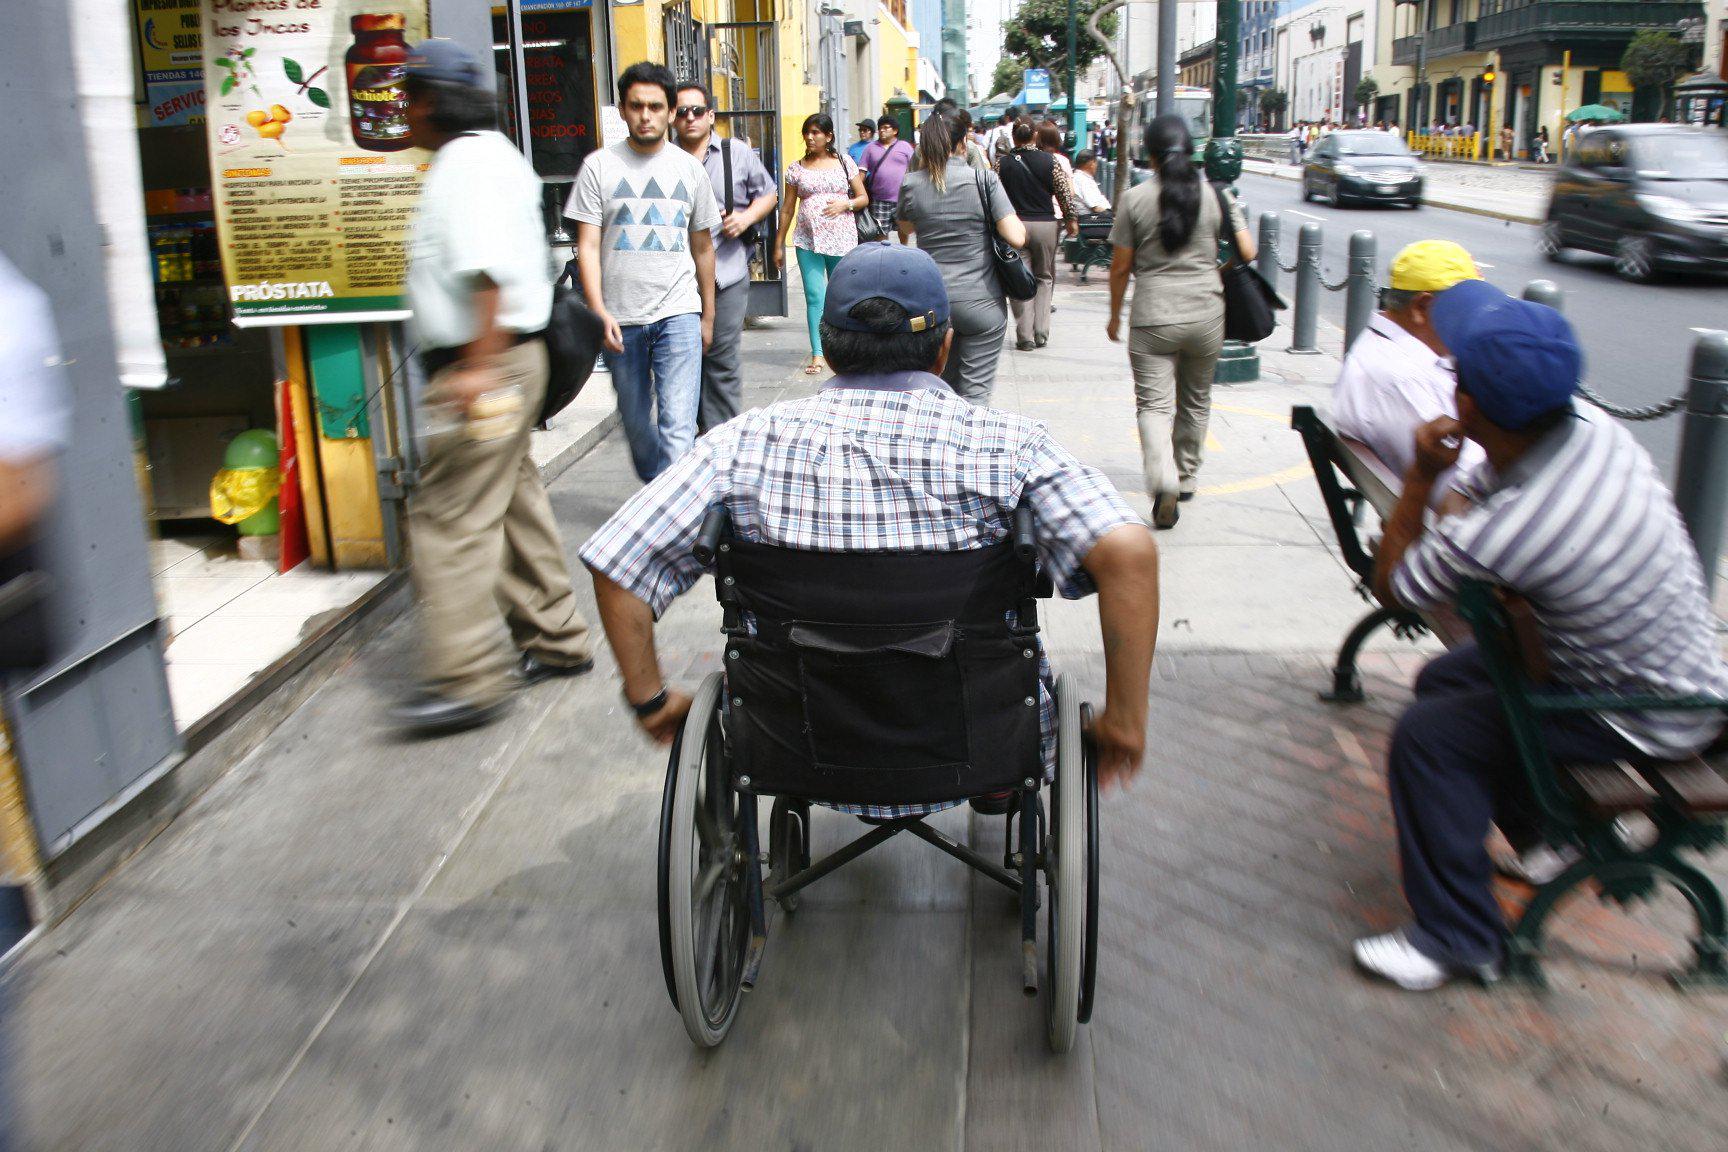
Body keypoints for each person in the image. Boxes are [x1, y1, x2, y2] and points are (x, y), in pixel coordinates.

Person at [579, 242, 1160, 801]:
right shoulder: (1011, 447)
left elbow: (620, 561)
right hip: (976, 744)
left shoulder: (740, 445)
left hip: (795, 745)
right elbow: (1129, 555)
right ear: (945, 348)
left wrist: (651, 702)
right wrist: (1125, 722)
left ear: (829, 351)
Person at [1352, 278, 1728, 991]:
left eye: (1455, 373)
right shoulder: (1592, 434)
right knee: (1446, 679)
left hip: (1647, 717)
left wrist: (1423, 476)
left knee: (1428, 740)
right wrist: (1461, 490)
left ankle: (1459, 938)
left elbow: (1397, 587)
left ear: (1466, 404)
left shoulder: (1520, 527)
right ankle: (1549, 837)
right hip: (1661, 682)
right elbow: (1483, 493)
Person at [394, 38, 594, 734]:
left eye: (408, 96)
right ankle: (557, 636)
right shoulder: (496, 154)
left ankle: (466, 677)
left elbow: (485, 271)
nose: (401, 111)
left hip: (489, 361)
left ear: (429, 100)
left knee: (449, 517)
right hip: (509, 360)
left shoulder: (467, 163)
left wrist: (476, 367)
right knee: (512, 499)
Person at [568, 61, 719, 484]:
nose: (646, 115)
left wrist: (707, 314)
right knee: (636, 426)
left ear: (672, 111)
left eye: (656, 106)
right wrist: (598, 310)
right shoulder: (598, 167)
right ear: (622, 110)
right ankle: (663, 495)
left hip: (678, 314)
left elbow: (703, 246)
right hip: (621, 319)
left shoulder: (689, 170)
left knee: (678, 431)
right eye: (637, 106)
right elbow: (588, 244)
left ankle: (671, 526)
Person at [1105, 114, 1255, 530]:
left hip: (1153, 314)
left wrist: (1115, 315)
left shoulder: (1134, 199)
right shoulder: (1216, 195)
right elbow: (1248, 250)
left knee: (1154, 406)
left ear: (1149, 155)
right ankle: (1186, 477)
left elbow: (1119, 269)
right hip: (1207, 313)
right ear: (1192, 150)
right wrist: (1215, 272)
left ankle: (1163, 479)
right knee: (1196, 399)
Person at [1333, 240, 1487, 492]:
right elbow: (1463, 481)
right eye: (1468, 309)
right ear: (1422, 307)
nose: (1474, 319)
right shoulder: (1401, 377)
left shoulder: (1393, 351)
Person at [896, 111, 1028, 404]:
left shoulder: (911, 184)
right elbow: (1017, 236)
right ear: (962, 143)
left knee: (940, 388)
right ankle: (969, 444)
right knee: (975, 395)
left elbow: (905, 230)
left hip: (932, 305)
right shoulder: (984, 180)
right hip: (981, 301)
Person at [673, 81, 778, 433]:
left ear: (711, 115)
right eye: (682, 111)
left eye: (697, 111)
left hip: (726, 270)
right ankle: (695, 434)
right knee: (685, 360)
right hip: (678, 277)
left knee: (721, 357)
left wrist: (746, 217)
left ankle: (724, 439)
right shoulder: (663, 159)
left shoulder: (736, 153)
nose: (690, 118)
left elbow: (769, 194)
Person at [773, 112, 867, 376]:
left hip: (842, 240)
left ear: (829, 136)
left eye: (816, 132)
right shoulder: (796, 168)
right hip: (807, 240)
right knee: (815, 297)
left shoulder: (844, 163)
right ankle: (818, 353)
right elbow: (787, 209)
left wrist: (844, 203)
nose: (810, 137)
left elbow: (863, 198)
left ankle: (848, 348)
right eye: (807, 132)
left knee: (844, 295)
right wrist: (779, 242)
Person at [997, 120, 1078, 351]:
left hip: (1014, 226)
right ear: (1035, 135)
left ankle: (1024, 336)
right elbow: (1064, 193)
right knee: (1044, 277)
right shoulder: (1050, 161)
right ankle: (1041, 330)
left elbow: (993, 196)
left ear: (1014, 137)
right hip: (1045, 224)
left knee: (1019, 278)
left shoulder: (1002, 164)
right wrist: (1071, 219)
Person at [858, 115, 915, 237]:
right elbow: (862, 172)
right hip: (879, 200)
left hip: (902, 199)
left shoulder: (905, 147)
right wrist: (856, 191)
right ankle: (883, 254)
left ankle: (903, 253)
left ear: (895, 131)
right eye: (880, 128)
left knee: (903, 230)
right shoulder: (870, 148)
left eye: (886, 127)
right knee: (880, 232)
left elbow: (915, 169)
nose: (882, 130)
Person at [1070, 149, 1112, 216]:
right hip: (1090, 220)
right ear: (1092, 163)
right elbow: (1095, 207)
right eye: (1095, 163)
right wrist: (1111, 216)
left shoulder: (1082, 177)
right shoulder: (1082, 179)